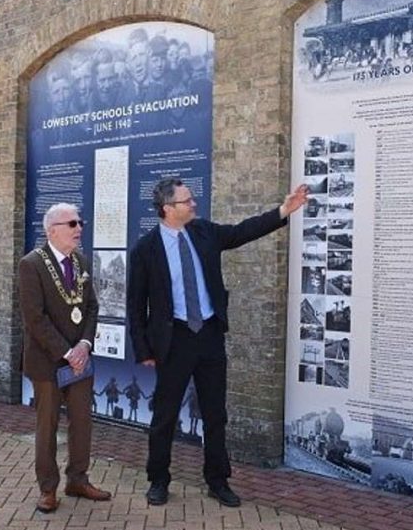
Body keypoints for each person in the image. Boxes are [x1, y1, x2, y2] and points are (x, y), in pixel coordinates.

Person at [128, 177, 309, 507]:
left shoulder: (204, 232)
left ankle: (217, 479)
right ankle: (158, 479)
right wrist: (143, 349)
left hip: (209, 335)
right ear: (168, 209)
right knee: (165, 415)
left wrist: (284, 210)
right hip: (174, 341)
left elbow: (241, 232)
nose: (193, 204)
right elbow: (135, 304)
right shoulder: (145, 249)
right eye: (186, 201)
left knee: (215, 413)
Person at [18, 203, 111, 513]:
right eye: (72, 223)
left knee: (82, 421)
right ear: (52, 230)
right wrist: (67, 352)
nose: (78, 228)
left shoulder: (81, 261)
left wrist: (84, 344)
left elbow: (92, 307)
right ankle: (48, 488)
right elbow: (35, 318)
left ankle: (78, 479)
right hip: (48, 361)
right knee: (47, 425)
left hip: (80, 360)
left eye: (80, 222)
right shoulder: (31, 264)